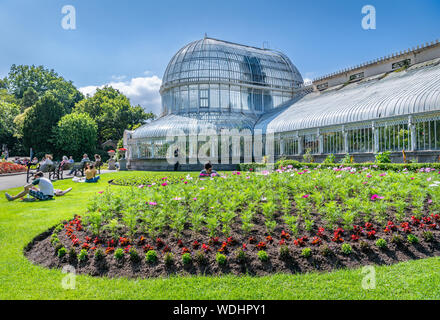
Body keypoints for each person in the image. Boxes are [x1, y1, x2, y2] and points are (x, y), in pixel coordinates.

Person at [5, 171, 72, 202]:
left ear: (37, 176)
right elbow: (44, 190)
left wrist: (24, 192)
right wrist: (35, 189)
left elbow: (26, 187)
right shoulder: (46, 179)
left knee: (27, 190)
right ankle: (27, 199)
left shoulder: (38, 180)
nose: (34, 178)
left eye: (35, 177)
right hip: (49, 196)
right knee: (30, 191)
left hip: (45, 197)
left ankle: (12, 198)